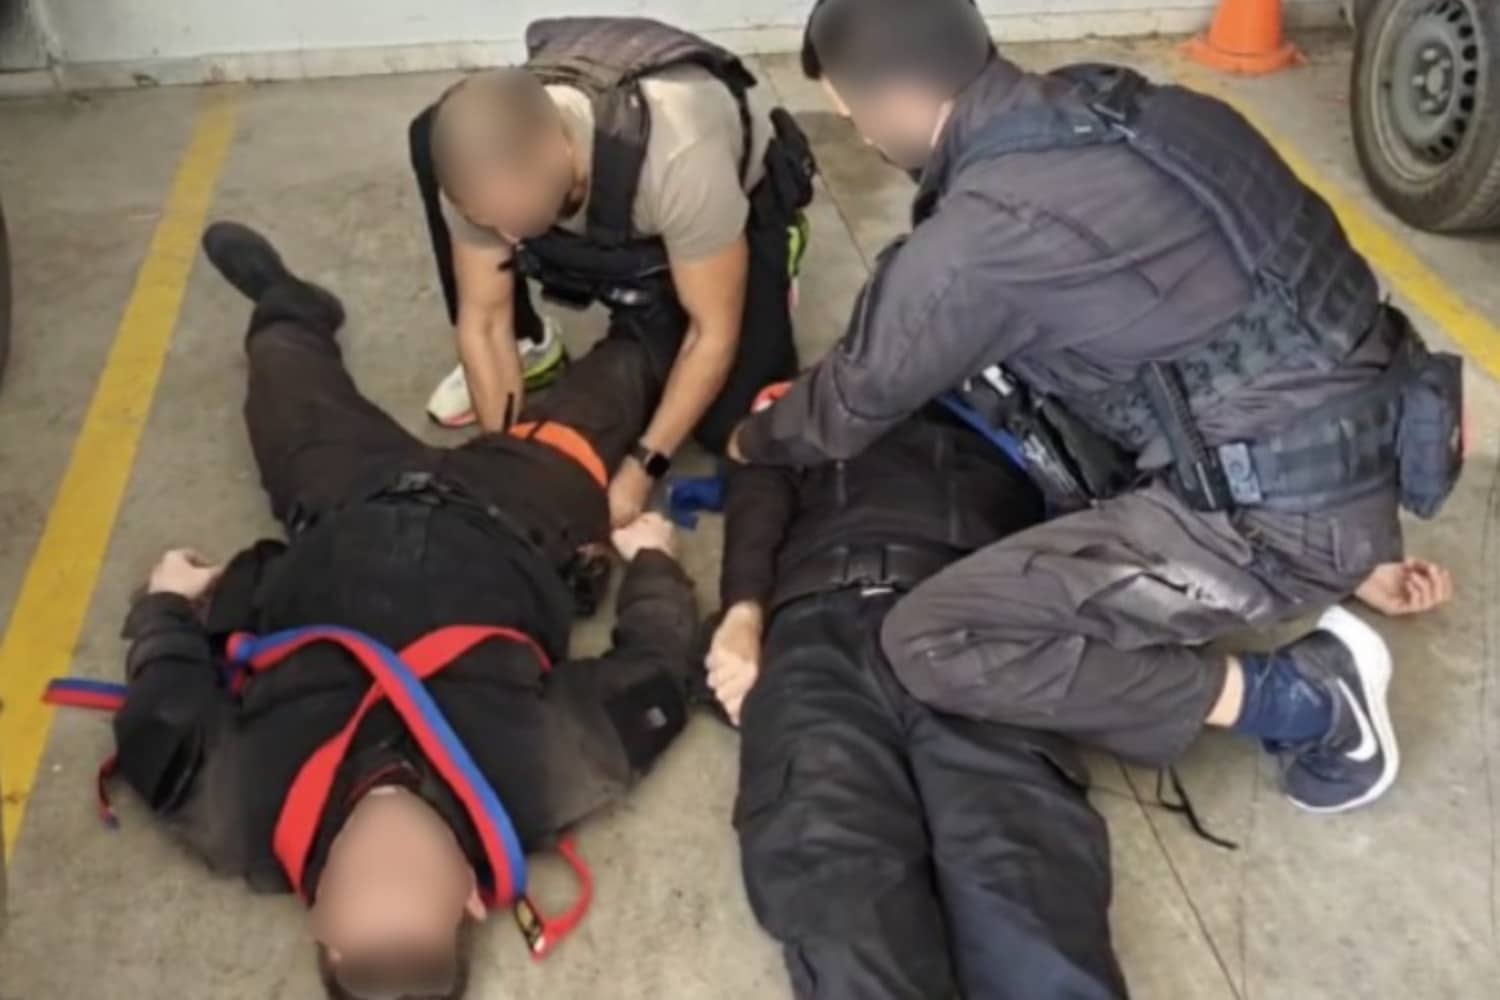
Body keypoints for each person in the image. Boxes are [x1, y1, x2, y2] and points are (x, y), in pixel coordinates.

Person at [730, 0, 1466, 814]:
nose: (862, 137)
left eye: (855, 116)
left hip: (1279, 517)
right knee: (1005, 354)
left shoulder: (977, 239)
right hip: (1371, 440)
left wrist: (753, 440)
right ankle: (1327, 549)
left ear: (897, 100)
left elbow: (850, 402)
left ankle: (1306, 699)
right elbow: (1272, 303)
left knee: (934, 641)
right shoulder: (1136, 106)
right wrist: (1358, 545)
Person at [109, 223, 701, 1000]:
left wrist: (164, 607)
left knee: (280, 359)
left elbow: (157, 718)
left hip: (339, 501)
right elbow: (657, 675)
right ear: (470, 898)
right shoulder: (543, 775)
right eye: (412, 871)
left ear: (320, 917)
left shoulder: (237, 805)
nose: (385, 840)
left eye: (362, 875)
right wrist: (655, 564)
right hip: (520, 508)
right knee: (647, 353)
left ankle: (290, 299)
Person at [709, 394, 1127, 999]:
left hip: (975, 624)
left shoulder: (1036, 418)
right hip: (815, 625)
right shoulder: (817, 403)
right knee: (843, 894)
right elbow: (759, 482)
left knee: (1023, 885)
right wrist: (743, 610)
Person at [409, 16, 817, 527]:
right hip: (604, 201)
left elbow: (711, 334)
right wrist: (508, 464)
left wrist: (643, 469)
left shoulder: (679, 159)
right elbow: (486, 324)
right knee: (428, 134)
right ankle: (540, 341)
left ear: (557, 147)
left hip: (728, 203)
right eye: (485, 220)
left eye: (511, 215)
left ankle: (774, 255)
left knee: (728, 425)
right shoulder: (482, 178)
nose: (505, 234)